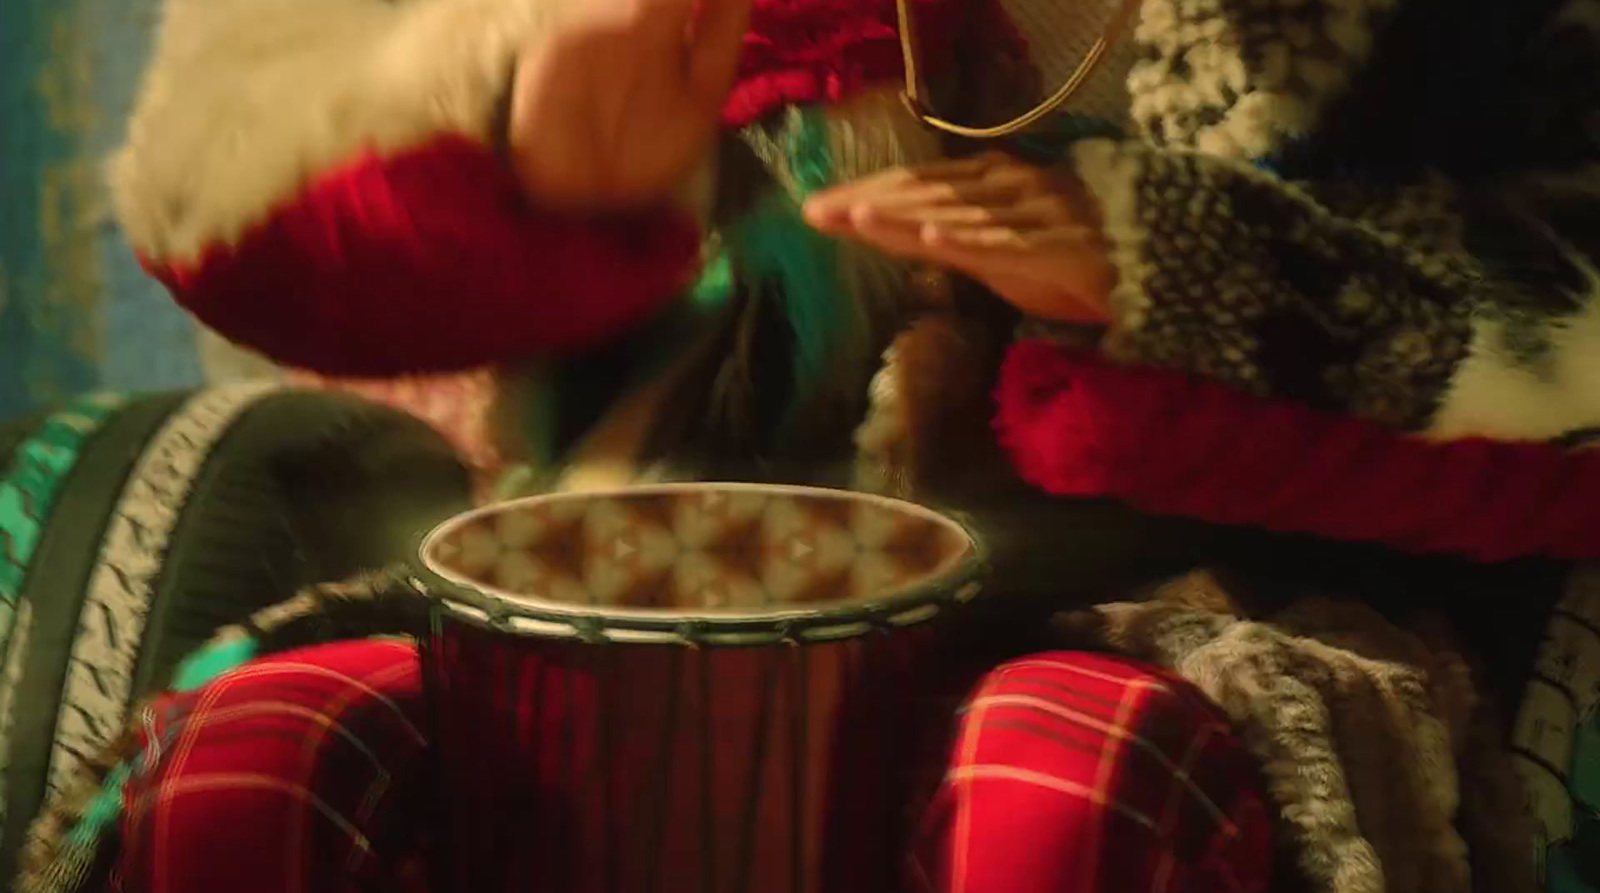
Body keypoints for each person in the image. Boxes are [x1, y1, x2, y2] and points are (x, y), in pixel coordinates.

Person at [29, 0, 1600, 889]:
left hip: (1197, 597)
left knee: (1054, 809)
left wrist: (1171, 270)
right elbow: (219, 195)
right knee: (258, 773)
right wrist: (511, 92)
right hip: (672, 562)